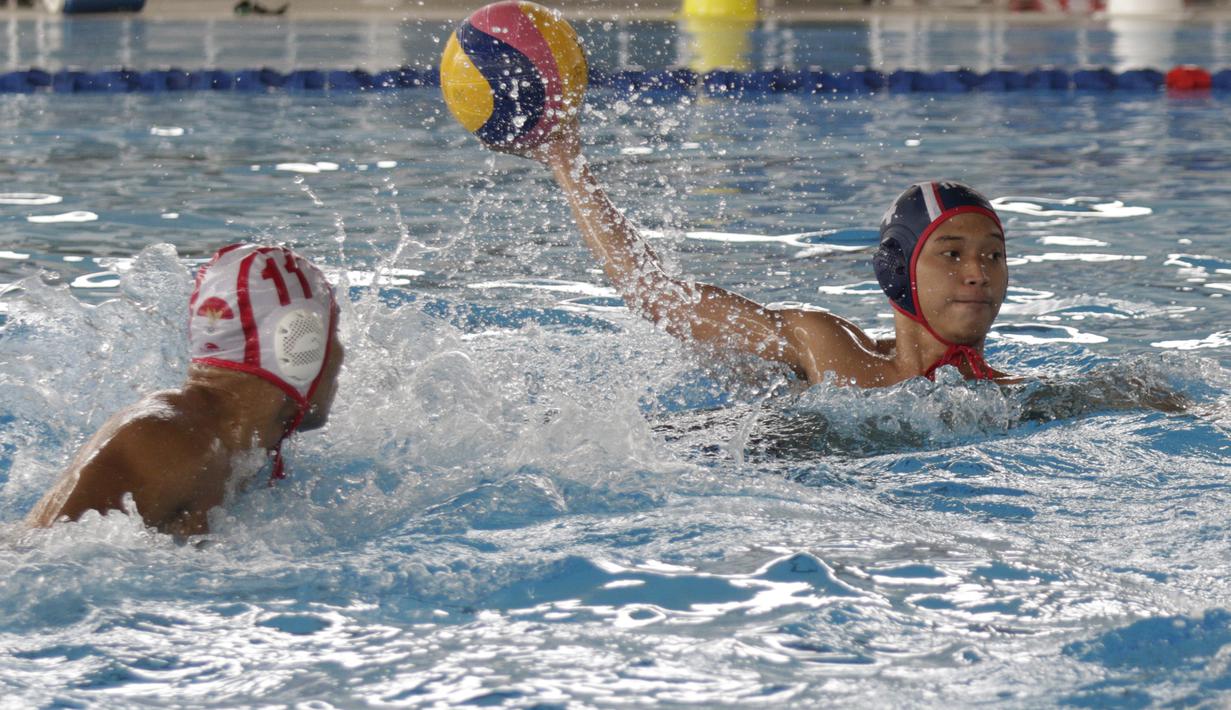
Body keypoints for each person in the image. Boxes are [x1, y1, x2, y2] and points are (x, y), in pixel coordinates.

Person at [509, 121, 1010, 388]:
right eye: (951, 254)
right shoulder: (826, 347)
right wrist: (564, 159)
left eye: (993, 256)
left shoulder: (1018, 399)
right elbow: (655, 297)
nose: (977, 275)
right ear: (896, 270)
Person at [26, 244, 343, 536]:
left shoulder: (241, 449)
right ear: (301, 347)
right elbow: (31, 558)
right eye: (334, 335)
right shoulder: (165, 441)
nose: (341, 354)